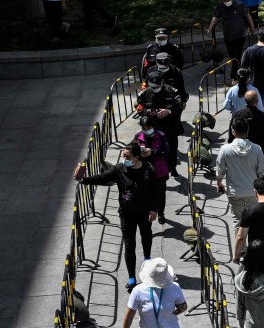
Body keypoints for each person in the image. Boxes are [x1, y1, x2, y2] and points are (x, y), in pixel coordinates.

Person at [74, 142, 158, 291]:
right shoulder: (119, 169)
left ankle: (147, 261)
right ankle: (132, 276)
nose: (123, 157)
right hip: (126, 214)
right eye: (123, 155)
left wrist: (154, 209)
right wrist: (83, 180)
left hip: (144, 212)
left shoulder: (148, 169)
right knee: (129, 244)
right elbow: (102, 177)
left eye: (127, 156)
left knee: (146, 236)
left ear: (136, 157)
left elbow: (155, 190)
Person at [216, 117, 264, 225]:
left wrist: (219, 184)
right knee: (254, 220)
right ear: (247, 130)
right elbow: (262, 172)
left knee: (237, 221)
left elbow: (220, 171)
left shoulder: (225, 150)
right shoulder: (256, 149)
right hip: (252, 191)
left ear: (232, 131)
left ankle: (240, 241)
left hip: (235, 192)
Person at [135, 70, 186, 177]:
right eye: (153, 87)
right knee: (153, 151)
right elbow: (139, 109)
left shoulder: (172, 91)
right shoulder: (145, 93)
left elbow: (180, 106)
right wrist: (147, 111)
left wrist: (169, 111)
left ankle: (173, 168)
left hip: (169, 127)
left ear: (162, 82)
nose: (155, 89)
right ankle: (153, 171)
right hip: (153, 128)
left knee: (171, 150)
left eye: (157, 86)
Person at [208, 0, 254, 81]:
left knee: (236, 57)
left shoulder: (239, 5)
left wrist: (251, 27)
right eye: (225, 1)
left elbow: (247, 15)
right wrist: (210, 27)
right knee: (233, 57)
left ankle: (234, 77)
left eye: (228, 0)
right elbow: (215, 17)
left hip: (239, 36)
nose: (226, 2)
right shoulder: (221, 7)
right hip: (228, 37)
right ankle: (240, 74)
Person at [134, 114, 171, 224]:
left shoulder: (161, 135)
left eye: (148, 128)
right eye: (144, 128)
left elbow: (167, 151)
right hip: (144, 170)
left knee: (160, 193)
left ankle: (161, 213)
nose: (146, 130)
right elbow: (133, 151)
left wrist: (153, 152)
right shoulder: (138, 137)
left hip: (160, 170)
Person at [230, 89, 264, 159]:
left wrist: (230, 143)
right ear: (257, 101)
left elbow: (231, 130)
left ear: (245, 100)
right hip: (259, 149)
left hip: (240, 148)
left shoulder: (237, 114)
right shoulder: (263, 117)